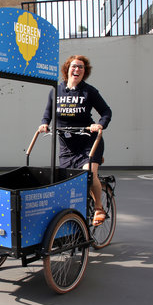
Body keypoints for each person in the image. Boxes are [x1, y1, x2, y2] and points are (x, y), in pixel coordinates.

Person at [38, 55, 112, 226]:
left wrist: (99, 125)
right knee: (65, 182)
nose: (77, 70)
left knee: (88, 174)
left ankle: (99, 208)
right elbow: (47, 114)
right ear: (67, 69)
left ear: (85, 72)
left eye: (81, 67)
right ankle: (72, 217)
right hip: (67, 144)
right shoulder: (55, 91)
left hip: (89, 141)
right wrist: (44, 124)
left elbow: (106, 111)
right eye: (74, 66)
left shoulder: (89, 91)